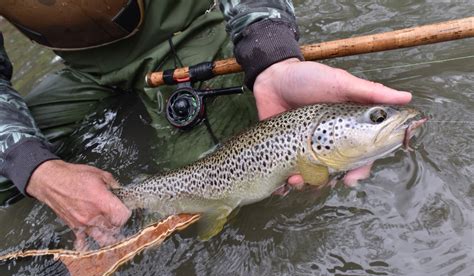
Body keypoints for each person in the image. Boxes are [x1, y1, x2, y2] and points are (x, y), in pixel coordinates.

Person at [0, 1, 411, 248]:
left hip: (183, 31)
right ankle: (104, 205)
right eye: (377, 118)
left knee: (213, 159)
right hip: (86, 69)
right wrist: (37, 169)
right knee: (9, 173)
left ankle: (128, 210)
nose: (385, 121)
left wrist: (271, 55)